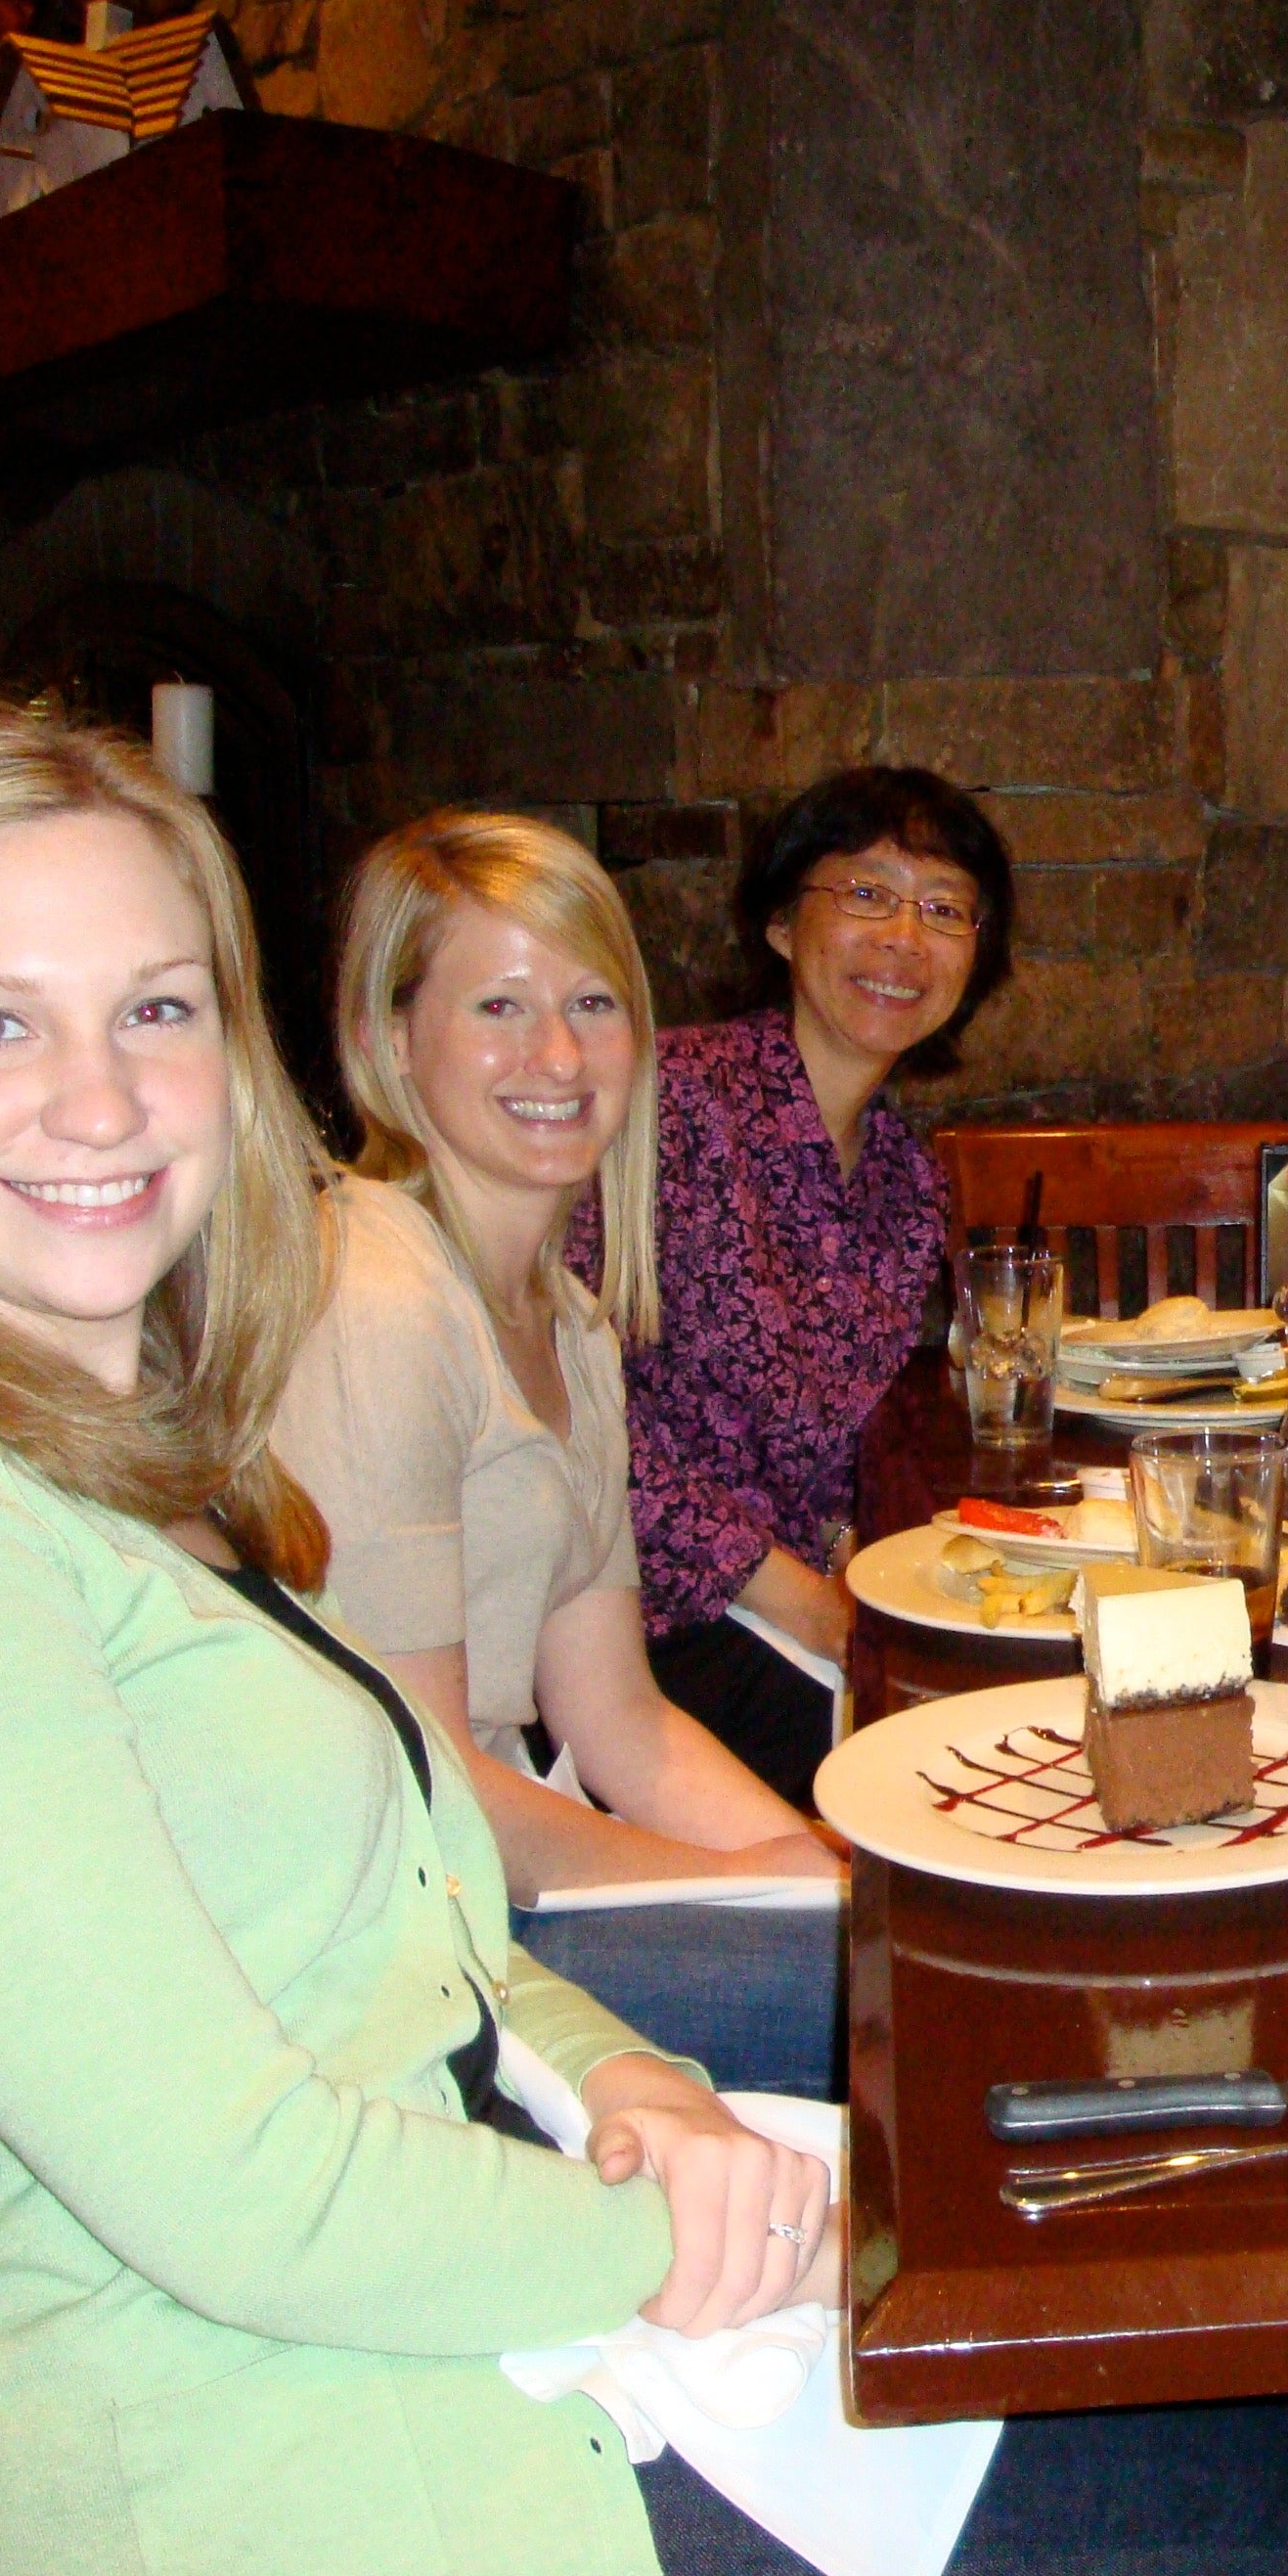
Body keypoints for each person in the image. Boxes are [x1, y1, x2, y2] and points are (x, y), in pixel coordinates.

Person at [0, 698, 1288, 2576]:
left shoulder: (142, 1463)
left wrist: (641, 2084)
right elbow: (236, 2198)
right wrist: (650, 2211)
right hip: (317, 2467)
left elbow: (430, 1927)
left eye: (153, 1009)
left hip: (513, 2289)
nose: (98, 1096)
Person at [274, 811, 843, 2097]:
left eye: (593, 1002)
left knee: (903, 1944)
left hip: (486, 1883)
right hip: (388, 1953)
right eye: (500, 1006)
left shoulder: (572, 1320)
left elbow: (620, 1719)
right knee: (897, 2006)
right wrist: (748, 1889)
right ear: (389, 1040)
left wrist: (809, 1866)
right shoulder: (374, 1295)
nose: (559, 1054)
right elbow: (423, 1783)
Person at [618, 766, 1013, 1807]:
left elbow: (827, 1464)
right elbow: (566, 1414)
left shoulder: (905, 1181)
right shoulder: (663, 1104)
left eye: (944, 909)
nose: (905, 939)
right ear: (784, 925)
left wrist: (859, 1566)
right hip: (630, 1630)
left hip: (785, 1608)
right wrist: (806, 1599)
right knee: (953, 1779)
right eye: (868, 894)